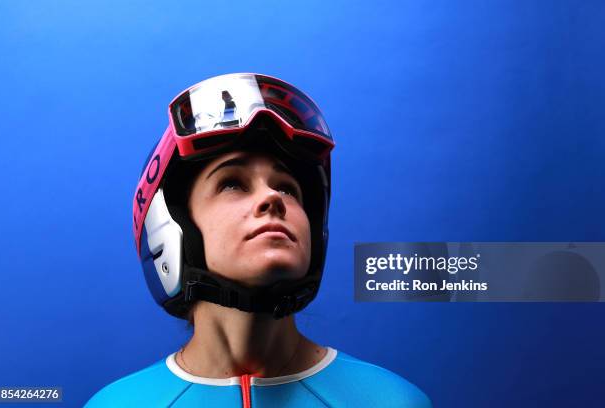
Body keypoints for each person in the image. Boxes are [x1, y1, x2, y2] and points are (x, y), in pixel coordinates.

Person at [86, 73, 432, 407]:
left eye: (287, 187)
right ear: (171, 225)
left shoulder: (394, 401)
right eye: (232, 183)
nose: (273, 198)